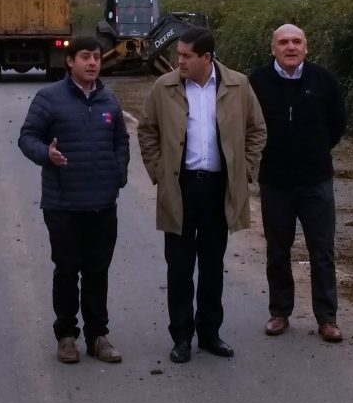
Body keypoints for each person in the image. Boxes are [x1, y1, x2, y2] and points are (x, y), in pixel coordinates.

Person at [139, 27, 267, 363]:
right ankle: (181, 336)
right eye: (178, 54)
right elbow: (147, 131)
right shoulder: (162, 87)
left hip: (217, 188)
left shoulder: (238, 86)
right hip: (180, 188)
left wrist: (246, 171)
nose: (178, 60)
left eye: (185, 56)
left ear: (206, 58)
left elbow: (257, 130)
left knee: (212, 264)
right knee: (179, 266)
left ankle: (210, 333)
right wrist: (159, 174)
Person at [18, 35, 130, 364]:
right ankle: (66, 335)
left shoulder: (110, 100)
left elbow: (121, 141)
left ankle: (98, 335)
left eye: (96, 57)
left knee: (98, 270)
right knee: (67, 269)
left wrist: (118, 173)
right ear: (70, 61)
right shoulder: (49, 98)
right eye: (85, 57)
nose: (93, 62)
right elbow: (27, 137)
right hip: (63, 203)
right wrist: (46, 154)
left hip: (102, 202)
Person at [248, 23, 348, 342]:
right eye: (283, 42)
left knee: (322, 251)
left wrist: (314, 151)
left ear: (306, 47)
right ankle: (280, 312)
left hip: (315, 181)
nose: (290, 47)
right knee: (278, 250)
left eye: (297, 42)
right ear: (272, 48)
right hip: (275, 182)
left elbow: (337, 123)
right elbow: (249, 124)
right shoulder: (257, 82)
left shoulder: (324, 80)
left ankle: (327, 318)